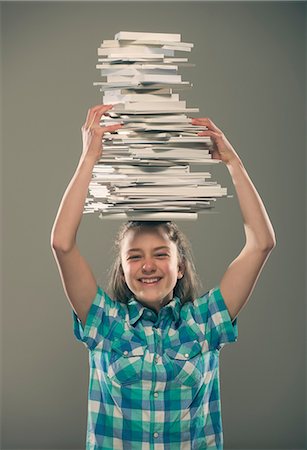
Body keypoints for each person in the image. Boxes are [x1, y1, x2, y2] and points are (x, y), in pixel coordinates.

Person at [51, 104, 276, 449]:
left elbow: (261, 243)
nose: (148, 266)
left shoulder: (204, 322)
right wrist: (89, 160)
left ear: (180, 265)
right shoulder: (104, 323)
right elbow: (62, 245)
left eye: (160, 255)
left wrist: (233, 162)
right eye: (135, 257)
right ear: (123, 270)